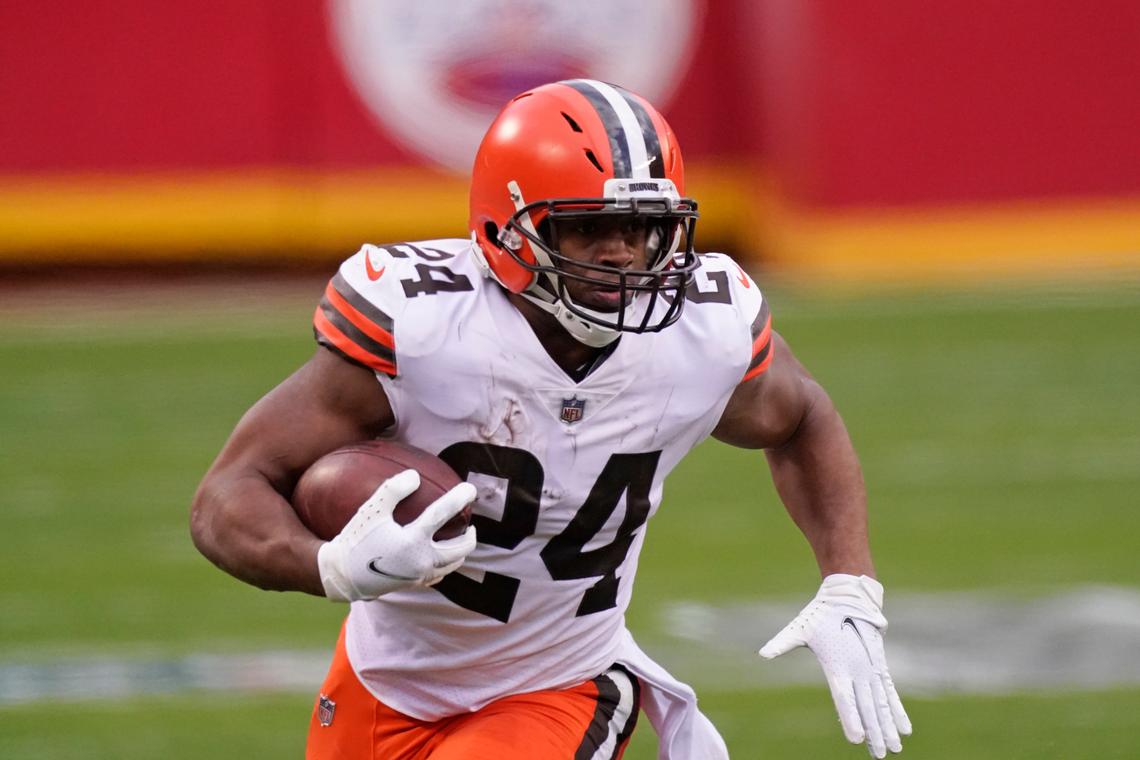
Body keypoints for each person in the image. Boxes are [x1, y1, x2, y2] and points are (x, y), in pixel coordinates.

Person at [190, 79, 912, 759]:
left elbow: (800, 417)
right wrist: (328, 567)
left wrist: (849, 581)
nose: (623, 254)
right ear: (505, 231)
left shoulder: (701, 332)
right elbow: (230, 492)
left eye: (643, 227)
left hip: (560, 684)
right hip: (382, 679)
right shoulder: (425, 330)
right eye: (589, 228)